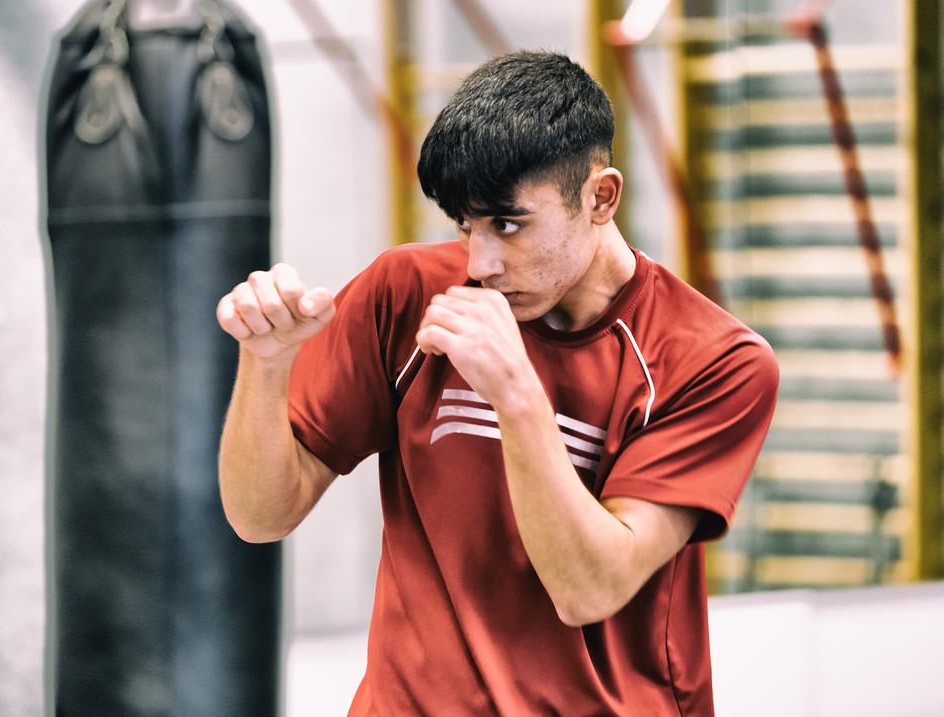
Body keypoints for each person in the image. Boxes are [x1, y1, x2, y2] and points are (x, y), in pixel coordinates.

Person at [216, 51, 779, 716]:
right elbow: (259, 517)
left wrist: (516, 393)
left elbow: (590, 588)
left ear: (600, 198)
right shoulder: (407, 293)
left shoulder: (714, 361)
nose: (481, 262)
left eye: (508, 224)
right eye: (466, 225)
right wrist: (266, 363)